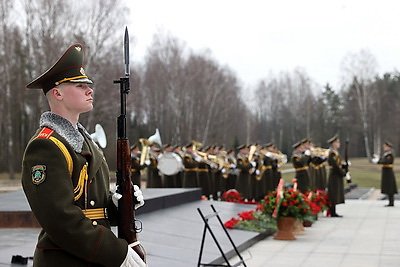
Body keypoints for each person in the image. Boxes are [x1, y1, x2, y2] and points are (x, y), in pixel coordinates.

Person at [22, 44, 146, 267]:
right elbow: (61, 220)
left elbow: (90, 205)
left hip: (91, 256)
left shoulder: (84, 141)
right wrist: (117, 253)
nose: (90, 90)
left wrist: (119, 206)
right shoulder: (45, 146)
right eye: (80, 86)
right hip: (65, 259)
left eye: (88, 86)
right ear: (57, 93)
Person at [327, 134, 349, 217]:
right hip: (334, 175)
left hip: (336, 175)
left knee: (336, 193)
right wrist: (343, 172)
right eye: (337, 142)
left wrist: (344, 166)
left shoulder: (335, 153)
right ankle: (332, 211)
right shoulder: (332, 154)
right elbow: (335, 166)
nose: (339, 144)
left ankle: (333, 210)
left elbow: (338, 164)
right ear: (333, 144)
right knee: (333, 193)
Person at [372, 141, 398, 206]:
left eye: (386, 147)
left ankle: (391, 202)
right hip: (386, 172)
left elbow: (386, 161)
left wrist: (378, 161)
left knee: (390, 187)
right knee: (388, 187)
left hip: (388, 172)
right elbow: (383, 160)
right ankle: (390, 202)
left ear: (389, 147)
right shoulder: (386, 154)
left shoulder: (390, 154)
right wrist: (378, 160)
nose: (384, 148)